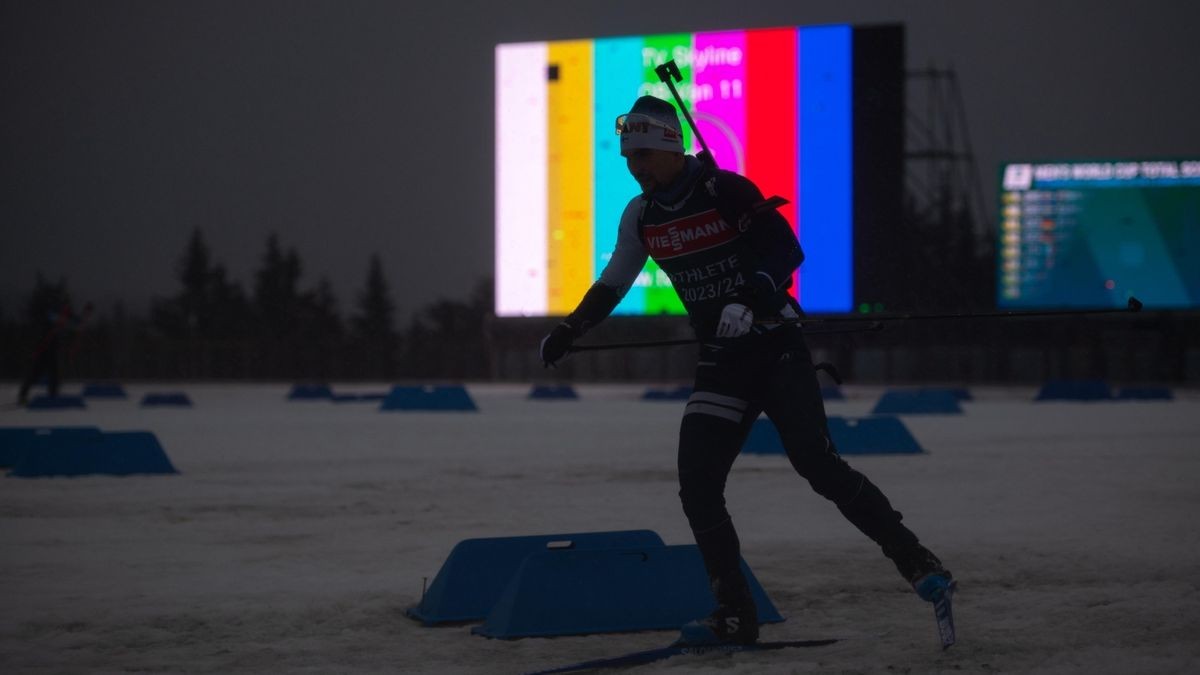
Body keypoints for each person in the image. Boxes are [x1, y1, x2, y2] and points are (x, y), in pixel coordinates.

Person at [539, 95, 953, 646]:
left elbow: (785, 250)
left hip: (775, 348)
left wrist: (747, 297)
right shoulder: (642, 215)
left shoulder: (726, 190)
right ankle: (734, 610)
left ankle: (915, 559)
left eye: (642, 157)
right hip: (722, 362)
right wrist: (570, 330)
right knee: (698, 483)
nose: (635, 169)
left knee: (816, 464)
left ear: (670, 147)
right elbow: (614, 280)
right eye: (628, 159)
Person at [17, 295, 90, 406]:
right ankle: (23, 395)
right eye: (65, 306)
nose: (67, 308)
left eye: (68, 306)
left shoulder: (66, 314)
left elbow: (74, 321)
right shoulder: (54, 312)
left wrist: (83, 317)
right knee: (36, 373)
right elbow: (55, 319)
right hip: (43, 348)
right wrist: (63, 321)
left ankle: (53, 396)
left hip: (53, 349)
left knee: (54, 373)